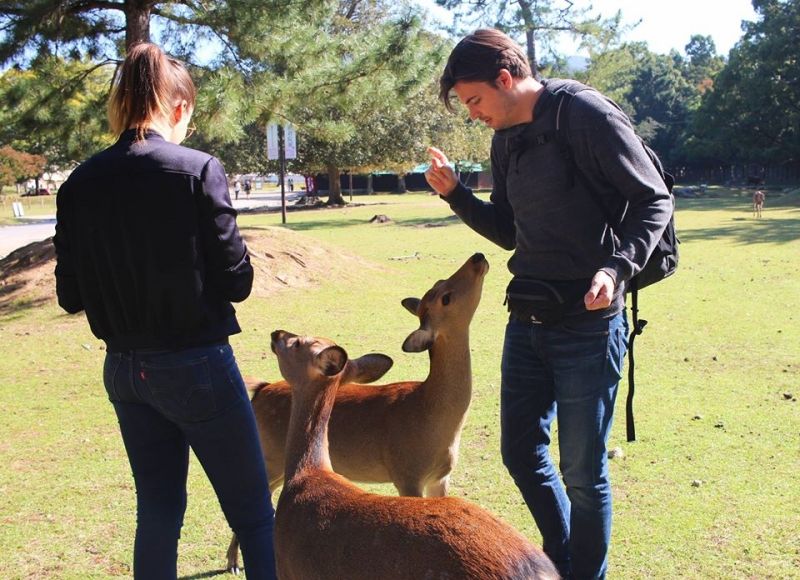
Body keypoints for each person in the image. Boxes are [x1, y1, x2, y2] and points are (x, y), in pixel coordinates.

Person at [425, 29, 672, 580]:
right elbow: (510, 231)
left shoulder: (583, 115)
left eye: (474, 101)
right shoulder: (505, 137)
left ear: (506, 79)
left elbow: (653, 197)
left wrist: (617, 267)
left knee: (583, 473)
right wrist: (457, 195)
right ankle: (562, 559)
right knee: (520, 452)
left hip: (589, 322)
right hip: (527, 319)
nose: (474, 114)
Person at [53, 43, 277, 580]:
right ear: (178, 109)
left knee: (157, 512)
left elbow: (70, 295)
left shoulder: (78, 184)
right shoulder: (197, 169)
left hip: (126, 370)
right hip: (196, 362)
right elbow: (237, 281)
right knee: (254, 517)